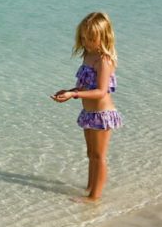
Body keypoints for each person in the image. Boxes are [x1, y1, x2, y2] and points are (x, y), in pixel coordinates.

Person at [51, 11, 123, 201]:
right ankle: (90, 187)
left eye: (91, 39)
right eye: (83, 38)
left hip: (102, 114)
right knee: (90, 154)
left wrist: (74, 94)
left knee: (99, 156)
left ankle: (94, 198)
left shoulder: (104, 60)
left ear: (103, 37)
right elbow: (85, 87)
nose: (86, 42)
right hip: (89, 113)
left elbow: (101, 91)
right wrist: (69, 92)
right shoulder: (88, 55)